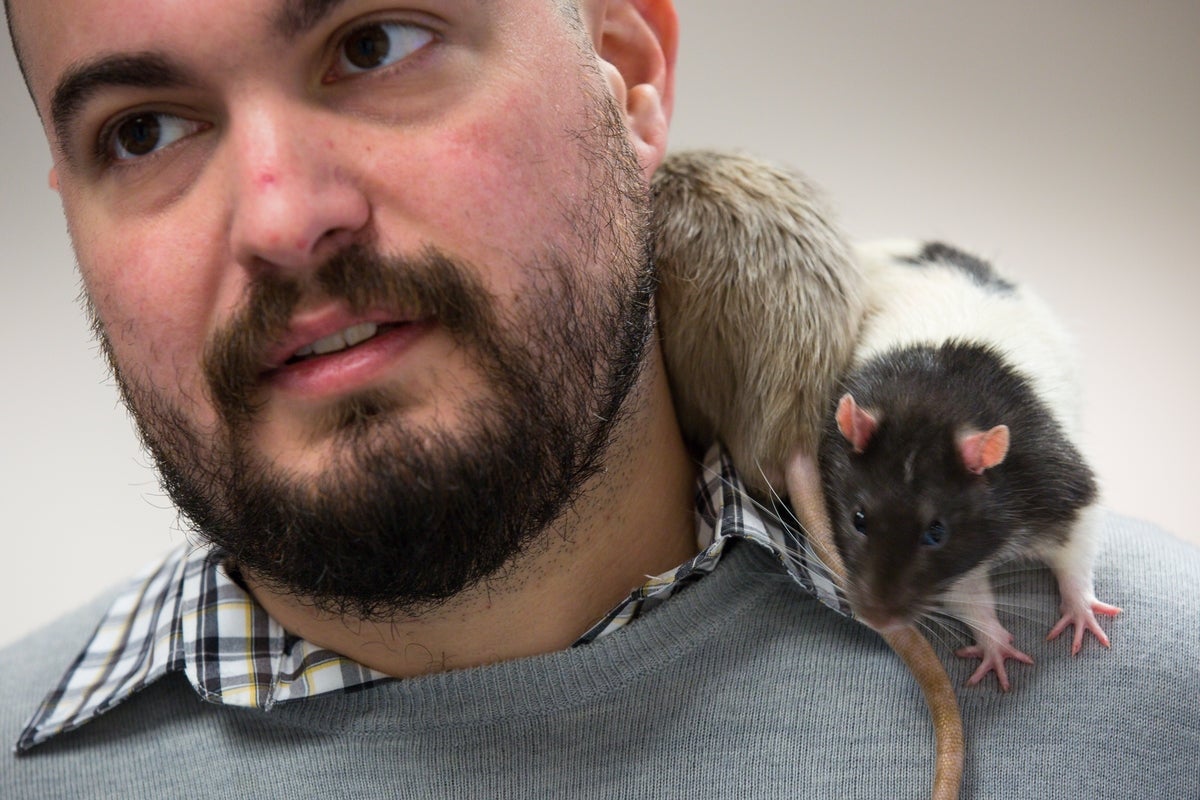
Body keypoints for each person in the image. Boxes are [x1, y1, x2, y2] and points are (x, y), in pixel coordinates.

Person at [1, 1, 1196, 797]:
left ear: (626, 70)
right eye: (141, 129)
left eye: (375, 43)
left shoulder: (1150, 699)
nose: (279, 219)